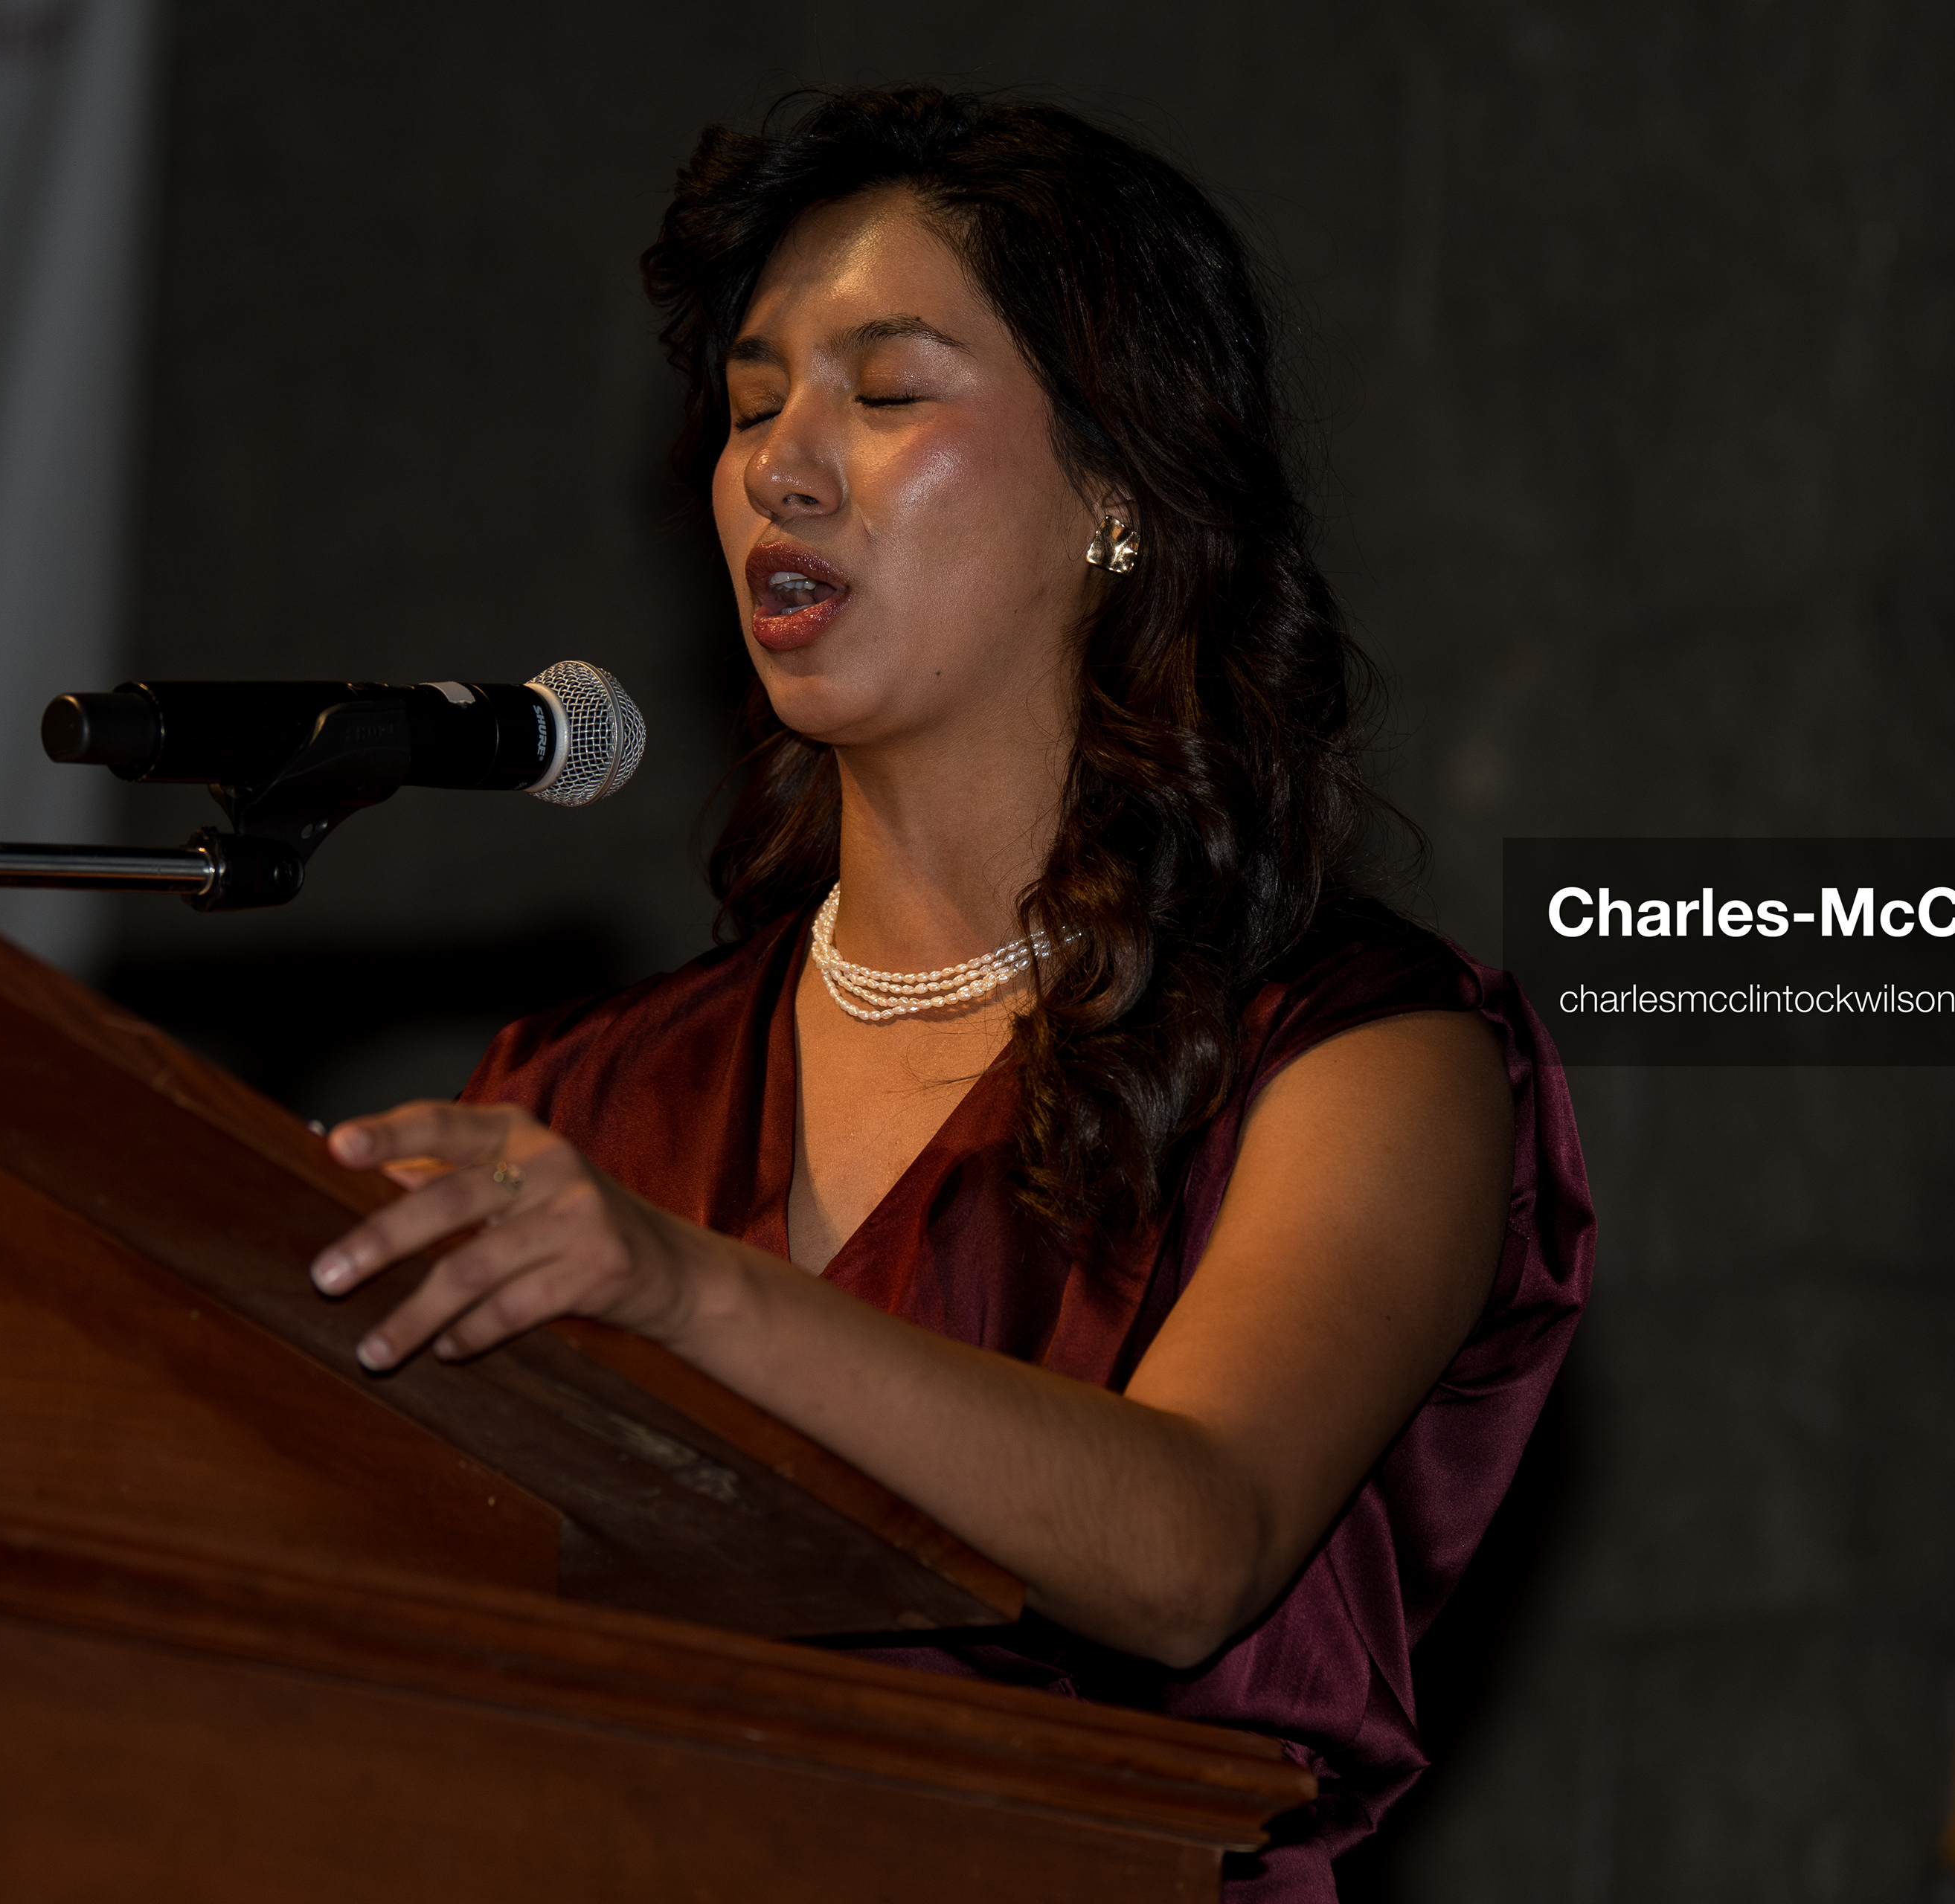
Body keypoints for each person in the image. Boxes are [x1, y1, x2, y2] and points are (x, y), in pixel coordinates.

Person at [304, 87, 1593, 1898]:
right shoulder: (588, 1093)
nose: (780, 465)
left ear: (1121, 495)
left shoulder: (1357, 1053)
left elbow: (1191, 1543)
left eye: (888, 392)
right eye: (752, 402)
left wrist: (687, 1289)